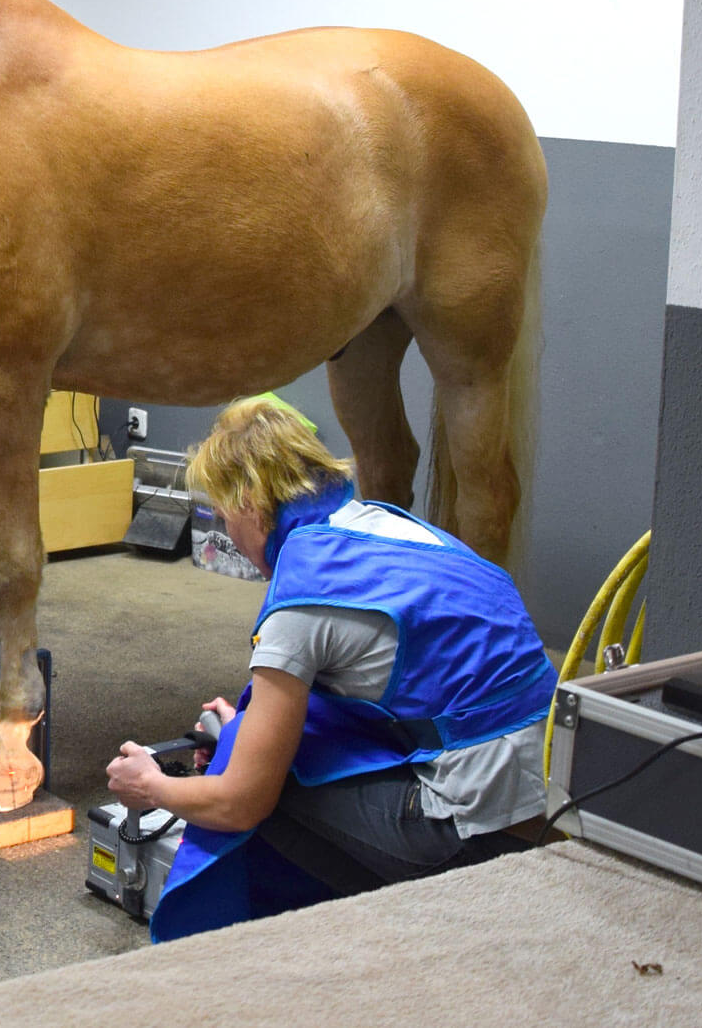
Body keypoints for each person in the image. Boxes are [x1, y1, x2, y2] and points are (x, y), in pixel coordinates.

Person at [106, 397, 558, 941]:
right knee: (260, 743)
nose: (232, 539)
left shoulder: (300, 601)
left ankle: (347, 926)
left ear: (249, 502)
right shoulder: (387, 525)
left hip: (478, 828)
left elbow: (240, 802)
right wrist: (247, 726)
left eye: (225, 519)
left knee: (262, 791)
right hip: (552, 790)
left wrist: (153, 786)